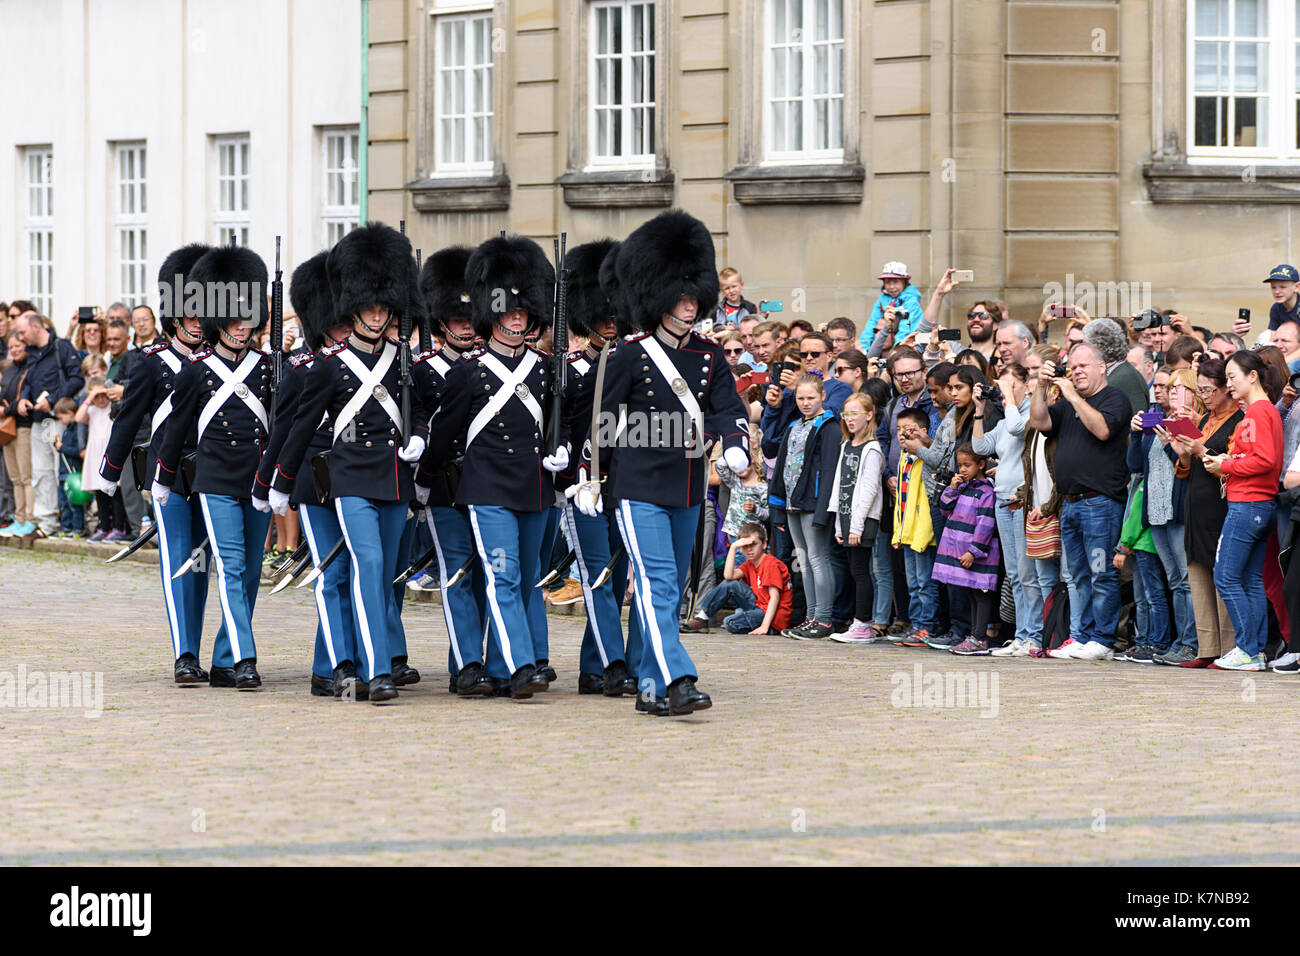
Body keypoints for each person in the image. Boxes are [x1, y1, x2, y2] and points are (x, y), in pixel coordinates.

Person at [572, 209, 750, 716]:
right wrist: (590, 477)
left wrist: (735, 440)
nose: (689, 307)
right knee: (659, 583)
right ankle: (678, 677)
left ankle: (650, 686)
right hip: (637, 485)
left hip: (688, 485)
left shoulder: (711, 357)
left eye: (694, 297)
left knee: (667, 593)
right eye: (680, 297)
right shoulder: (628, 355)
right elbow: (601, 421)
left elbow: (728, 407)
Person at [270, 225, 430, 703]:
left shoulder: (403, 360)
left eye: (384, 307)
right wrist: (278, 482)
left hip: (394, 477)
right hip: (347, 479)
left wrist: (419, 437)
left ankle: (362, 663)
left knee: (381, 578)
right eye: (370, 307)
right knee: (366, 565)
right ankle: (373, 671)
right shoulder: (329, 364)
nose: (378, 316)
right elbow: (298, 428)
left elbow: (418, 408)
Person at [416, 232, 554, 701]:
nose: (517, 318)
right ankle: (520, 666)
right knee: (503, 576)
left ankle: (500, 665)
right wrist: (424, 480)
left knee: (526, 577)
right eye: (508, 311)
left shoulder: (544, 369)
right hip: (487, 488)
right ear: (491, 315)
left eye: (523, 311)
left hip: (535, 488)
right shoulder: (468, 372)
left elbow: (563, 426)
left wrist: (567, 457)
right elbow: (444, 436)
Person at [155, 245, 275, 691]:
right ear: (219, 322)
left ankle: (225, 657)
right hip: (216, 478)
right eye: (235, 319)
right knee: (228, 563)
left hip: (257, 479)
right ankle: (245, 657)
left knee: (249, 570)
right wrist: (164, 477)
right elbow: (175, 431)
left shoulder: (267, 369)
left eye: (249, 318)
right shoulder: (197, 371)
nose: (244, 327)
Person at [101, 244, 214, 685]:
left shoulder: (221, 363)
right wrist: (110, 471)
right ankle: (184, 653)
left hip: (212, 470)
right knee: (176, 561)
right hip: (167, 475)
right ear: (173, 319)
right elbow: (129, 420)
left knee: (202, 563)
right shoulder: (151, 364)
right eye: (189, 316)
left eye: (202, 315)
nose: (197, 323)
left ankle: (199, 646)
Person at [254, 250, 362, 697]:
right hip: (316, 482)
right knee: (331, 573)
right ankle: (338, 665)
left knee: (358, 572)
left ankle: (330, 663)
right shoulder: (302, 368)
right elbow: (284, 432)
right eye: (336, 324)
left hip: (362, 476)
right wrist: (270, 483)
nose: (343, 330)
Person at [543, 238, 638, 697]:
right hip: (584, 487)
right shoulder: (572, 371)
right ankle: (613, 663)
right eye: (603, 317)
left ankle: (594, 665)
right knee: (598, 573)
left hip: (628, 483)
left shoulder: (634, 368)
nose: (611, 324)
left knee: (617, 576)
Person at [410, 244, 495, 696]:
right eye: (457, 319)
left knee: (489, 572)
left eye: (470, 317)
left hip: (488, 483)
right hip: (443, 484)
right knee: (458, 571)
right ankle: (467, 664)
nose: (466, 325)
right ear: (441, 323)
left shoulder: (494, 367)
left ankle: (477, 658)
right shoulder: (422, 370)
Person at [1029, 342, 1132, 660]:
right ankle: (1081, 635)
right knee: (1077, 575)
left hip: (1100, 504)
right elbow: (1040, 422)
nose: (1076, 372)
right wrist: (1042, 387)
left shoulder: (1115, 398)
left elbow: (1102, 430)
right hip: (1071, 504)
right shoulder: (1066, 404)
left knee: (1101, 572)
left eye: (1083, 366)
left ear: (1102, 367)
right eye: (1072, 367)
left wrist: (1072, 394)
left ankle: (1102, 639)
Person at [1201, 350, 1283, 670]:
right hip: (1257, 504)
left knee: (1226, 577)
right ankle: (1254, 651)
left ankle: (1248, 648)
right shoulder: (1260, 411)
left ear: (1252, 377)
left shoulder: (1261, 413)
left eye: (1233, 377)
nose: (1229, 384)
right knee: (1249, 580)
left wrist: (1226, 465)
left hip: (1248, 504)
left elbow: (1265, 460)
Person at [1165, 357, 1242, 666]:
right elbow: (1186, 468)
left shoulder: (1238, 420)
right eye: (1201, 389)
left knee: (1220, 575)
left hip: (1221, 503)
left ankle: (1227, 648)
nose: (1204, 395)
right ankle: (1207, 647)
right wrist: (1183, 454)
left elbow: (1230, 464)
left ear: (1225, 388)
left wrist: (1199, 450)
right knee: (1197, 572)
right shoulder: (1206, 419)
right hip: (1195, 502)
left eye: (1209, 389)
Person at [769, 373, 840, 640]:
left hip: (814, 503)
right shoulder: (794, 426)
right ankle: (811, 616)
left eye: (811, 397)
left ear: (823, 396)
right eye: (800, 398)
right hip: (792, 503)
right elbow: (780, 469)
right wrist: (777, 506)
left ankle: (823, 619)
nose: (806, 402)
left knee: (818, 558)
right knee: (804, 559)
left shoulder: (830, 426)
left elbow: (831, 470)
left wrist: (823, 510)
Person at [14, 310, 85, 538]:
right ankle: (46, 524)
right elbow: (29, 380)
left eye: (23, 332)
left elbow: (77, 378)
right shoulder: (32, 353)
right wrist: (24, 397)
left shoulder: (61, 347)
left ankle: (68, 523)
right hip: (37, 421)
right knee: (41, 473)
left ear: (37, 326)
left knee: (62, 472)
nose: (21, 338)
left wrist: (52, 399)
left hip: (59, 420)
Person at [931, 445, 1000, 655]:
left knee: (981, 593)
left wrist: (974, 551)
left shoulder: (986, 491)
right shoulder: (962, 487)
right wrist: (951, 488)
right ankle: (974, 635)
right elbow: (944, 508)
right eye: (960, 465)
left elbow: (986, 524)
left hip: (977, 554)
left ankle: (980, 638)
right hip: (961, 551)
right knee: (971, 592)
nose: (962, 469)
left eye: (967, 465)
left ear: (981, 464)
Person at [827, 391, 884, 643]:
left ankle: (864, 624)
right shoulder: (846, 445)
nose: (850, 419)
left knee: (861, 571)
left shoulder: (872, 449)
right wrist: (840, 523)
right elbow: (840, 486)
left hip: (863, 519)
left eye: (855, 414)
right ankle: (859, 622)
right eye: (846, 414)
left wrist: (857, 526)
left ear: (869, 415)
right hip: (848, 518)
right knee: (853, 569)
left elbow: (869, 490)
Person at [685, 523, 791, 635]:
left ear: (764, 544)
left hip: (774, 617)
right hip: (759, 606)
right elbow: (728, 576)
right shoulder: (750, 563)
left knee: (729, 622)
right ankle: (702, 618)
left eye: (753, 544)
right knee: (729, 584)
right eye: (745, 546)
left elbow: (775, 598)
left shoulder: (770, 564)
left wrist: (764, 626)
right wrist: (733, 547)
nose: (749, 549)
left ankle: (770, 629)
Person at [0, 331, 33, 536]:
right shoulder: (10, 370)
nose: (14, 349)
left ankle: (29, 518)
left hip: (23, 426)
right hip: (8, 428)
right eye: (11, 346)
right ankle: (19, 518)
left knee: (26, 475)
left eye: (18, 345)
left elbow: (24, 401)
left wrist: (6, 409)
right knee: (14, 477)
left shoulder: (30, 369)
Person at [860, 261, 924, 351]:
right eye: (887, 282)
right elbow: (872, 323)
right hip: (885, 345)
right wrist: (864, 346)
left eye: (895, 281)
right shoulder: (882, 299)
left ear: (904, 282)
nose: (891, 286)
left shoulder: (911, 301)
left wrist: (896, 350)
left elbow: (906, 329)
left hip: (908, 347)